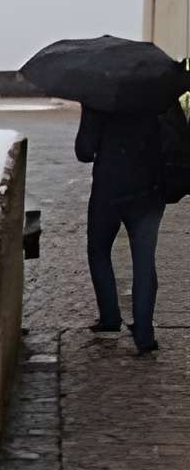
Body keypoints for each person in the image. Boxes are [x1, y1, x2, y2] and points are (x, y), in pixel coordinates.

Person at [79, 93, 188, 354]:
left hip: (109, 191)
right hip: (149, 192)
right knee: (144, 260)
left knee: (99, 250)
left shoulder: (98, 95)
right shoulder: (159, 95)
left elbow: (83, 151)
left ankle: (110, 318)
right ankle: (144, 334)